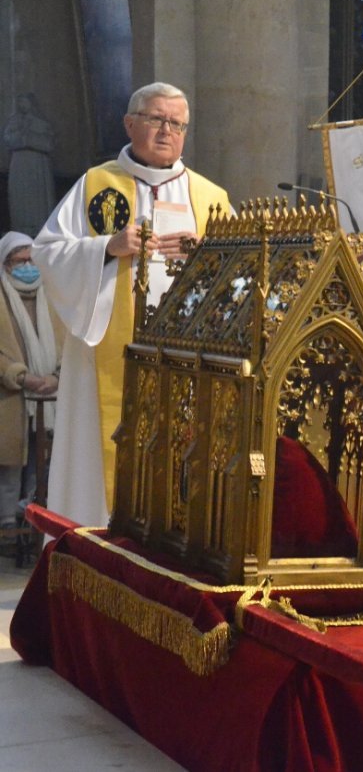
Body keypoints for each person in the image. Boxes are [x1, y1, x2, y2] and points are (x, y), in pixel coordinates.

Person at [32, 82, 230, 527]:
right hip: (110, 352)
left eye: (177, 123)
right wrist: (106, 247)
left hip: (185, 360)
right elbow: (47, 252)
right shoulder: (96, 184)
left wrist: (208, 256)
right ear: (130, 123)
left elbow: (243, 278)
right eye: (157, 119)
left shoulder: (210, 197)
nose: (167, 131)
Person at [0, 232, 63, 527]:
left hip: (49, 398)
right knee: (10, 469)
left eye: (31, 260)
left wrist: (55, 376)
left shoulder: (52, 295)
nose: (27, 266)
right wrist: (22, 377)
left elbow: (70, 344)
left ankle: (33, 523)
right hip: (11, 398)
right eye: (19, 261)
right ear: (6, 264)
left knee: (43, 466)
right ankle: (7, 528)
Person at [3, 93, 56, 237]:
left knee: (37, 200)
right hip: (19, 165)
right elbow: (8, 140)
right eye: (20, 103)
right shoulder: (14, 122)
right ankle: (21, 231)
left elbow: (48, 144)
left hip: (37, 166)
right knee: (20, 198)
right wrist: (22, 137)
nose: (22, 105)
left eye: (24, 102)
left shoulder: (41, 123)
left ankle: (38, 231)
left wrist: (28, 138)